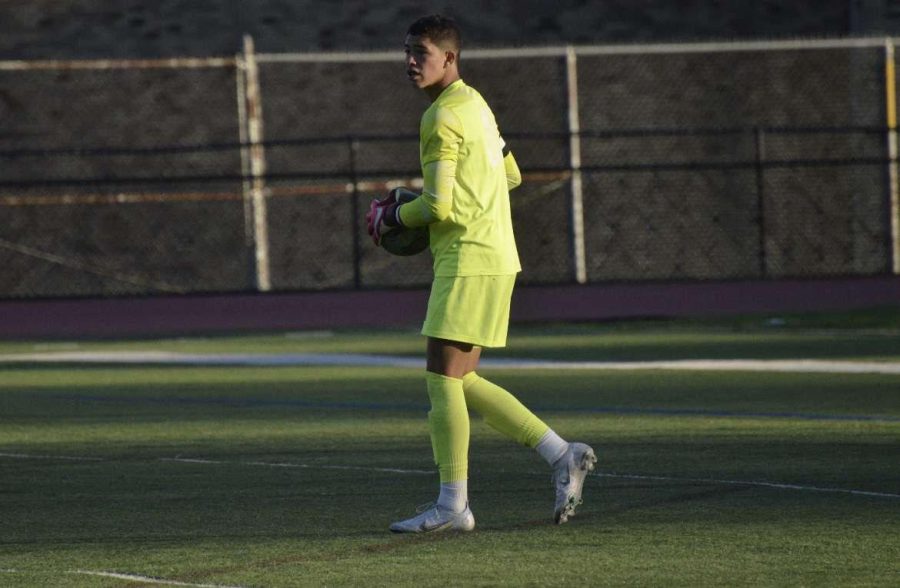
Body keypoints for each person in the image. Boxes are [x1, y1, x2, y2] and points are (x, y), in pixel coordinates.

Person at [366, 14, 596, 534]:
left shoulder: (441, 117)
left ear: (450, 57)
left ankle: (453, 505)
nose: (410, 61)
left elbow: (440, 207)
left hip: (469, 258)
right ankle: (562, 454)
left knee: (441, 377)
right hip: (495, 255)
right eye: (407, 51)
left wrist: (392, 216)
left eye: (421, 52)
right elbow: (510, 174)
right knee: (460, 379)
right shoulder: (477, 104)